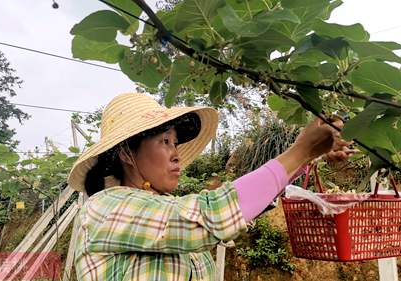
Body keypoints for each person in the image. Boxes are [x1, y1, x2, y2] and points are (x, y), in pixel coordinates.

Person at [68, 93, 353, 281]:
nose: (176, 153)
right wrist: (300, 151)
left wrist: (308, 154)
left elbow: (231, 209)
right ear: (126, 153)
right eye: (164, 142)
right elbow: (215, 214)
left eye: (175, 143)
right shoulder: (104, 208)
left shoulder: (164, 212)